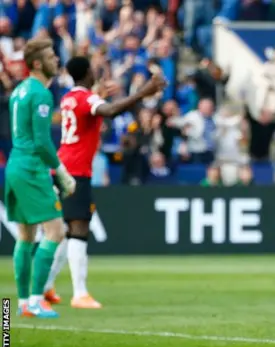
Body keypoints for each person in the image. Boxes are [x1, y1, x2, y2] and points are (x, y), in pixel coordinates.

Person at [43, 56, 167, 308]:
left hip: (64, 166)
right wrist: (143, 92)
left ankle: (46, 287)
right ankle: (79, 294)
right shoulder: (86, 98)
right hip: (76, 171)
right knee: (79, 229)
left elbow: (93, 110)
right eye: (92, 70)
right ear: (86, 73)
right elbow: (110, 111)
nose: (95, 74)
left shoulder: (69, 97)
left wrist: (98, 94)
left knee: (65, 232)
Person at [5, 38, 77, 318]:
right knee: (56, 231)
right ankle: (36, 299)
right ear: (37, 63)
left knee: (25, 236)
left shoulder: (20, 90)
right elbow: (42, 142)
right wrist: (62, 172)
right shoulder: (41, 94)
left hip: (15, 165)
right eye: (51, 56)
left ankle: (23, 302)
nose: (56, 60)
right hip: (32, 169)